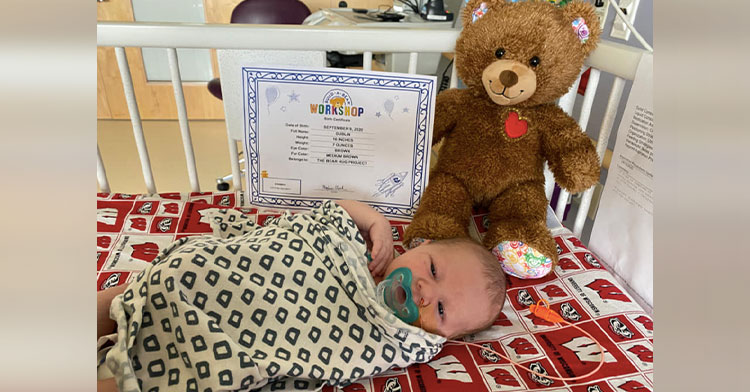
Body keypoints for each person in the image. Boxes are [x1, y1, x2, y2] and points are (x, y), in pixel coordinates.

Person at [97, 200, 506, 392]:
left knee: (166, 379)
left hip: (236, 344)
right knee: (140, 291)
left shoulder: (399, 340)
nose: (422, 290)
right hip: (221, 274)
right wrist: (376, 222)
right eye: (432, 269)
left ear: (445, 338)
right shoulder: (368, 251)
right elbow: (332, 215)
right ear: (420, 243)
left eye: (440, 308)